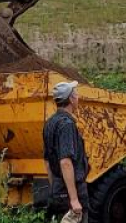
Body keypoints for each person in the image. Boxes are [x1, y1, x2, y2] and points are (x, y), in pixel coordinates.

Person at [42, 80, 89, 222]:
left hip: (58, 189)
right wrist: (74, 199)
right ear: (70, 99)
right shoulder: (66, 125)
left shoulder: (49, 123)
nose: (78, 97)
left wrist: (54, 188)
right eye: (75, 94)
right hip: (70, 192)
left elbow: (47, 161)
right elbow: (66, 162)